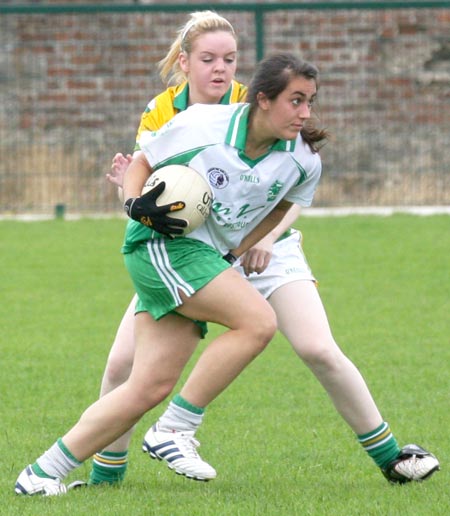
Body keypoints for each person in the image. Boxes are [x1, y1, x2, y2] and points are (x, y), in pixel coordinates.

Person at [80, 11, 439, 488]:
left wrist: (266, 239)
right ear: (184, 64)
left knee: (318, 348)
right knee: (121, 364)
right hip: (190, 253)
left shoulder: (257, 105)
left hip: (268, 250)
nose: (221, 69)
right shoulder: (164, 111)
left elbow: (291, 189)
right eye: (208, 59)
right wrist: (131, 196)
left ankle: (392, 457)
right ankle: (107, 477)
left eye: (230, 59)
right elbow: (153, 185)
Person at [15, 51, 329, 496]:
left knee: (147, 386)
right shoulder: (204, 124)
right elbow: (143, 161)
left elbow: (282, 204)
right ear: (263, 99)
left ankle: (41, 474)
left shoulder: (302, 160)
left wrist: (236, 251)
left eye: (310, 102)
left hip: (201, 259)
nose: (305, 113)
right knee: (259, 322)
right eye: (295, 101)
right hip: (159, 246)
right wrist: (132, 201)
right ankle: (175, 429)